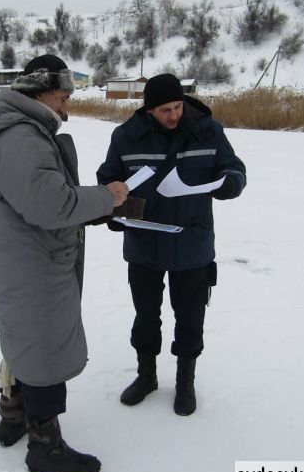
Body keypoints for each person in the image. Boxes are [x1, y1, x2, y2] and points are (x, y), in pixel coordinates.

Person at [0, 54, 130, 472]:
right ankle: (45, 446)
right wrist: (107, 197)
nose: (66, 108)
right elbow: (52, 205)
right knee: (44, 345)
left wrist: (87, 207)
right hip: (32, 261)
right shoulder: (21, 138)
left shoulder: (14, 129)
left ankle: (14, 414)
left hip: (20, 256)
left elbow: (40, 199)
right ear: (41, 91)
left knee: (23, 335)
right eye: (63, 97)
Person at [97, 73, 246, 416]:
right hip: (144, 243)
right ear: (149, 110)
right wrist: (117, 210)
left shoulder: (208, 131)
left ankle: (185, 383)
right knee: (146, 316)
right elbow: (108, 180)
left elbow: (235, 169)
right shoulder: (125, 137)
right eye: (165, 109)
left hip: (192, 243)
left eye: (178, 106)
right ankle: (146, 376)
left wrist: (230, 184)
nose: (174, 115)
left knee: (190, 318)